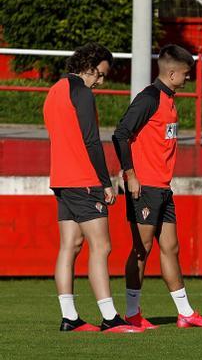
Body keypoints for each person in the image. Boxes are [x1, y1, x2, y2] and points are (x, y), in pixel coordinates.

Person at [112, 44, 202, 330]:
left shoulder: (168, 99)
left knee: (170, 247)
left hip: (162, 187)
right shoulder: (148, 98)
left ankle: (185, 313)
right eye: (185, 74)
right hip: (144, 186)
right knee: (141, 249)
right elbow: (120, 134)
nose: (188, 80)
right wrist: (130, 174)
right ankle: (132, 313)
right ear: (171, 73)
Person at [44, 43, 141, 333]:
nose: (100, 81)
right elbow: (90, 141)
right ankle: (110, 317)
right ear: (89, 66)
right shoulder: (81, 93)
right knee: (102, 246)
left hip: (60, 179)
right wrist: (105, 182)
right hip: (83, 180)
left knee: (69, 247)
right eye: (100, 74)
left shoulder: (53, 91)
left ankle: (69, 317)